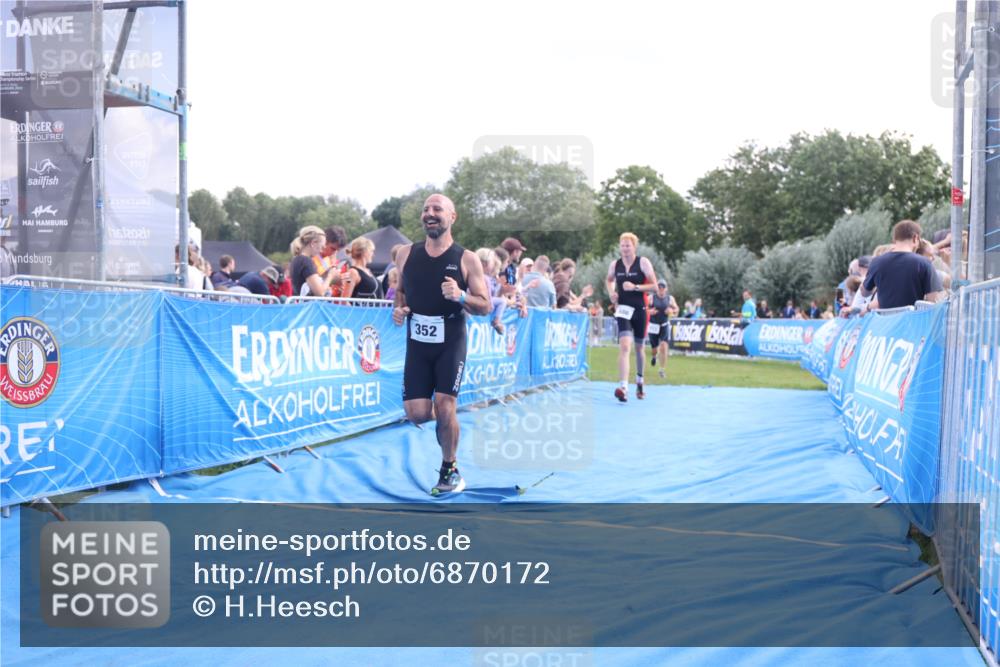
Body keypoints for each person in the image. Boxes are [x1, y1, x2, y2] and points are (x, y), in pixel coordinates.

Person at [392, 194, 490, 496]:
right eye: (426, 210)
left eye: (437, 209)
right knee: (418, 414)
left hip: (451, 340)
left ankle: (450, 469)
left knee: (446, 405)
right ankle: (448, 423)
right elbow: (401, 292)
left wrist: (461, 296)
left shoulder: (466, 258)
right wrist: (399, 309)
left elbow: (484, 306)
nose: (430, 214)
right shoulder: (405, 253)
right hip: (418, 342)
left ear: (452, 217)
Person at [606, 232, 658, 402]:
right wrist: (612, 293)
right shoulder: (615, 265)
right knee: (625, 347)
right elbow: (608, 280)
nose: (625, 248)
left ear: (634, 247)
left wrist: (635, 287)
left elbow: (655, 287)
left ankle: (640, 381)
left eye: (628, 245)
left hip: (641, 310)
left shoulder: (643, 263)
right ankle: (623, 388)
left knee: (639, 348)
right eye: (622, 245)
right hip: (623, 311)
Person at [853, 220, 944, 312]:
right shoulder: (924, 263)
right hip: (912, 323)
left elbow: (864, 293)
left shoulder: (877, 262)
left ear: (894, 239)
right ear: (915, 238)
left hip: (885, 323)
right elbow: (932, 300)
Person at [290, 225, 341, 297]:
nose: (322, 250)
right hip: (308, 307)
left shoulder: (297, 259)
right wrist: (330, 276)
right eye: (322, 246)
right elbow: (320, 293)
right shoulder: (306, 261)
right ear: (313, 243)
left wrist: (324, 275)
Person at [648, 278, 678, 380]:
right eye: (659, 287)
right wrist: (649, 311)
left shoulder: (670, 299)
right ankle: (654, 356)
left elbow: (676, 309)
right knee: (654, 349)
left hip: (664, 325)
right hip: (653, 325)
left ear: (666, 289)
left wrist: (672, 311)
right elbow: (643, 309)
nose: (661, 289)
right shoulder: (651, 298)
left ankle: (662, 369)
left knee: (664, 347)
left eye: (662, 287)